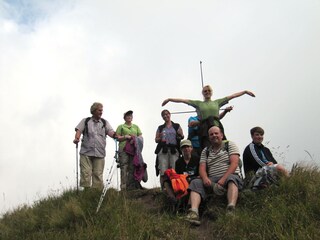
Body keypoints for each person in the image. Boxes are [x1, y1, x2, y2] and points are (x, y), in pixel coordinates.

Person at [162, 85, 255, 148]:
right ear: (202, 93)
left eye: (209, 91)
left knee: (222, 146)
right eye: (205, 91)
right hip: (204, 129)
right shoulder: (199, 104)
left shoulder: (217, 102)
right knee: (207, 147)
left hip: (216, 127)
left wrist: (245, 92)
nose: (207, 92)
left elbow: (232, 96)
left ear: (211, 92)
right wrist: (169, 99)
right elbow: (184, 100)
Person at [184, 126, 243, 226]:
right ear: (208, 137)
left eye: (216, 133)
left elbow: (234, 163)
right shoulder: (205, 151)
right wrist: (205, 178)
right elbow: (202, 168)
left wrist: (223, 179)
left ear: (221, 135)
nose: (214, 136)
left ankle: (231, 208)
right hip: (212, 178)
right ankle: (193, 212)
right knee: (195, 182)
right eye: (211, 134)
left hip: (229, 175)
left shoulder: (230, 145)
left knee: (232, 178)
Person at [73, 102, 117, 190]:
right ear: (93, 111)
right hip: (86, 152)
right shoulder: (86, 121)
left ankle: (96, 193)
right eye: (99, 110)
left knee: (98, 174)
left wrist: (117, 136)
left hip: (100, 153)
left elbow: (111, 132)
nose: (101, 112)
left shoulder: (104, 123)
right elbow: (79, 130)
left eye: (102, 110)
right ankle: (86, 193)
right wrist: (77, 138)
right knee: (86, 173)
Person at [155, 109, 184, 195]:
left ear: (170, 115)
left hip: (174, 149)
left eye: (167, 114)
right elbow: (156, 140)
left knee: (174, 169)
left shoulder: (176, 126)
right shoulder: (160, 127)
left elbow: (182, 136)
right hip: (163, 149)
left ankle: (175, 188)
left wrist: (180, 135)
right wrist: (160, 138)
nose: (165, 116)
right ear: (162, 117)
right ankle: (163, 189)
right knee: (163, 169)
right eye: (163, 115)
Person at [116, 110, 143, 190]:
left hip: (133, 149)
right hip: (123, 148)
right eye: (127, 116)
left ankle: (130, 187)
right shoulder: (121, 126)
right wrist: (125, 137)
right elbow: (117, 137)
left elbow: (141, 137)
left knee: (132, 167)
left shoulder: (136, 127)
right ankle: (123, 187)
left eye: (131, 115)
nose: (129, 117)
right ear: (124, 118)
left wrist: (135, 138)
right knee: (124, 166)